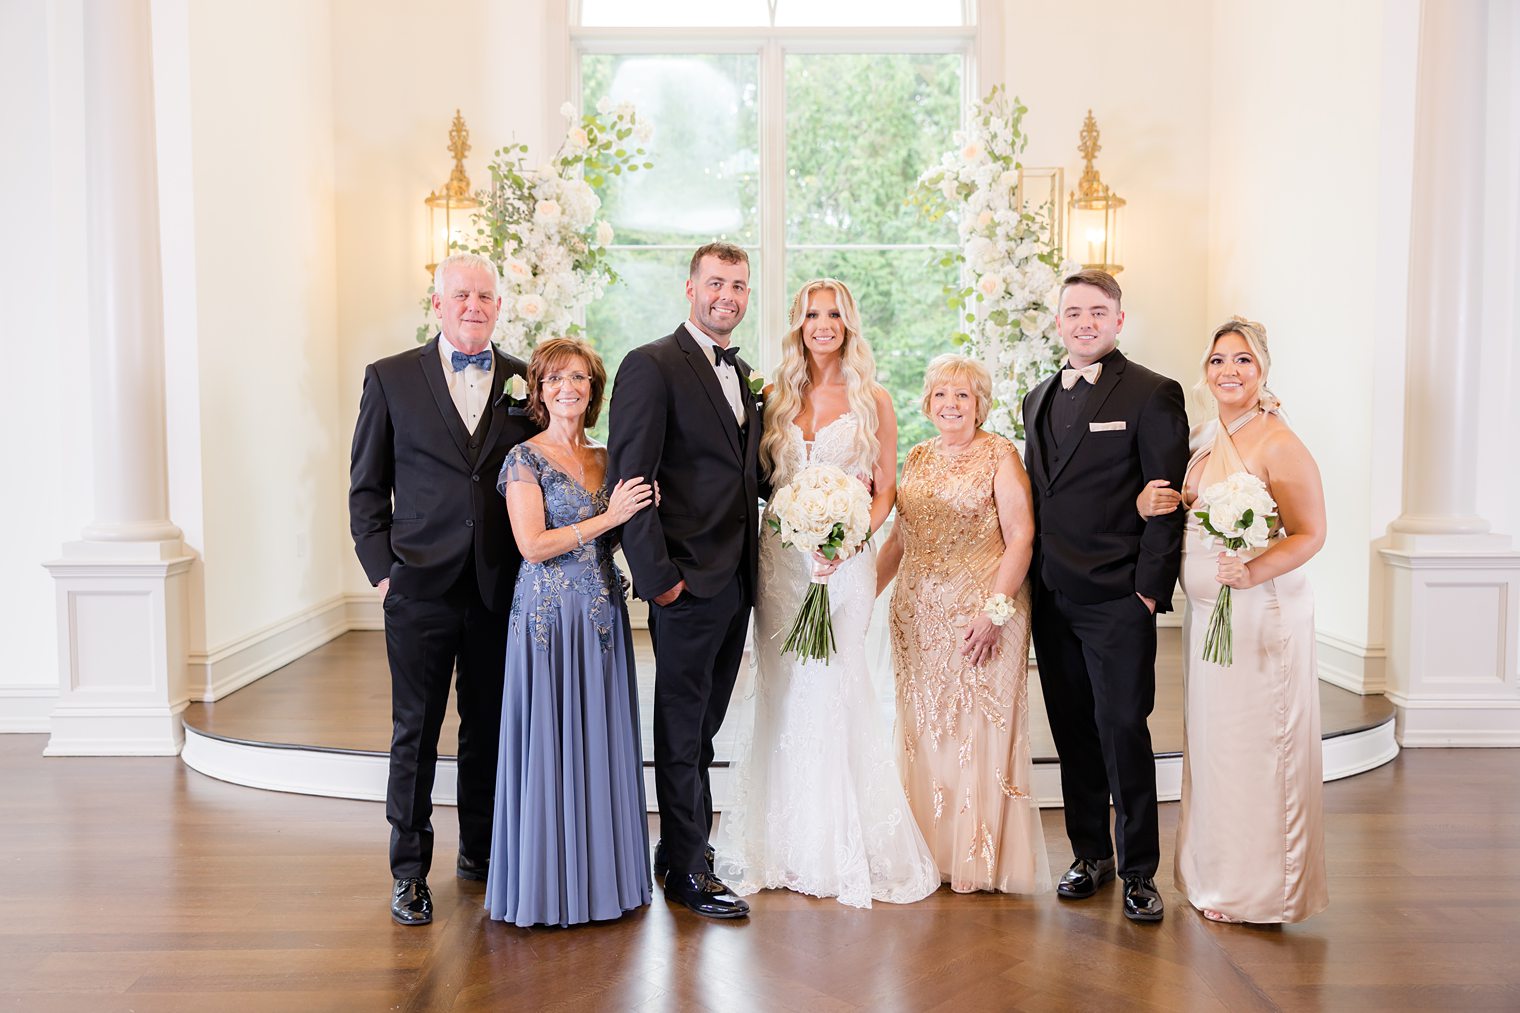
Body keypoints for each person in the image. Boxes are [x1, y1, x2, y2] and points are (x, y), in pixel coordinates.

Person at [713, 279, 940, 908]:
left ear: (849, 323)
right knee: (782, 688)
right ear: (797, 322)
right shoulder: (773, 396)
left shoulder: (875, 399)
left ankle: (838, 843)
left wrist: (847, 540)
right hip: (781, 563)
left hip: (847, 563)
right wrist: (799, 530)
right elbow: (753, 479)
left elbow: (886, 490)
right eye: (812, 313)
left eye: (834, 314)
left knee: (837, 686)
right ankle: (776, 842)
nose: (823, 323)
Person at [349, 252, 537, 926]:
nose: (473, 306)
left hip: (498, 585)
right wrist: (383, 570)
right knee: (416, 733)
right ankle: (409, 872)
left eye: (485, 296)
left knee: (487, 729)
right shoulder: (392, 377)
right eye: (461, 295)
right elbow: (366, 490)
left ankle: (480, 852)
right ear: (437, 302)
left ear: (497, 304)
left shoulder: (524, 381)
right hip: (419, 587)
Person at [1134, 317, 1329, 925]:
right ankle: (1214, 873)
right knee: (1216, 744)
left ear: (1263, 369)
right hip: (1208, 615)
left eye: (1242, 360)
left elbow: (1310, 533)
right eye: (1218, 360)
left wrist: (1254, 570)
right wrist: (1149, 503)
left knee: (1256, 745)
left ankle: (1262, 888)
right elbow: (1183, 506)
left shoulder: (1278, 441)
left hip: (1259, 613)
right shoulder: (1203, 436)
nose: (1229, 372)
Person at [1020, 269, 1188, 923]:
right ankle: (1090, 853)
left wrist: (1148, 591)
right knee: (1073, 731)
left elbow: (1166, 499)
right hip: (1053, 595)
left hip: (1119, 597)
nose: (1084, 322)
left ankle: (1140, 870)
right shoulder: (1036, 397)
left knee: (1122, 728)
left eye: (1097, 311)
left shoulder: (1152, 393)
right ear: (1057, 322)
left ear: (1119, 320)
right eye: (1072, 312)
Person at [607, 242, 764, 919]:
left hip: (734, 582)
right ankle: (687, 872)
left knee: (703, 728)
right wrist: (659, 579)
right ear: (690, 287)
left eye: (738, 285)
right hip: (685, 582)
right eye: (716, 282)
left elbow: (746, 475)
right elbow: (629, 477)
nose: (727, 295)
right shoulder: (650, 364)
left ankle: (679, 849)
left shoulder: (746, 374)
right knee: (678, 728)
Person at [484, 337, 656, 928]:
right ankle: (548, 886)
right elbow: (532, 546)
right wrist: (611, 517)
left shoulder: (610, 459)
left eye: (579, 379)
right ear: (539, 390)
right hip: (547, 621)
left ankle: (605, 881)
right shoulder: (523, 460)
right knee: (551, 741)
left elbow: (634, 530)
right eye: (555, 379)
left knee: (599, 739)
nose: (568, 389)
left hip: (603, 616)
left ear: (594, 390)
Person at [878, 354, 1051, 895]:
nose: (951, 404)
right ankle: (929, 852)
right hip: (917, 615)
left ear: (981, 405)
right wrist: (861, 598)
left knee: (976, 731)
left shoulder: (1000, 454)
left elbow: (1021, 537)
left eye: (963, 396)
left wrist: (995, 612)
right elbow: (901, 540)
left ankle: (980, 859)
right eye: (941, 395)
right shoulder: (919, 456)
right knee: (924, 732)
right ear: (927, 403)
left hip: (983, 613)